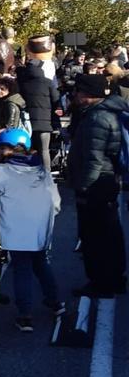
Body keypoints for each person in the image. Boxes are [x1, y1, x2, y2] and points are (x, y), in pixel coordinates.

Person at [0, 129, 63, 332]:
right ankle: (55, 302)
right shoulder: (41, 170)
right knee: (40, 263)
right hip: (41, 225)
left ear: (3, 150)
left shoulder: (2, 171)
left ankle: (25, 315)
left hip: (15, 226)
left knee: (21, 267)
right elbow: (56, 202)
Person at [68, 73, 128, 297]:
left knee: (95, 237)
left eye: (79, 91)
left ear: (88, 95)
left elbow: (94, 158)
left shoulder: (96, 119)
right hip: (108, 180)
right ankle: (115, 279)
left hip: (96, 186)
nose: (75, 95)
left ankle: (100, 283)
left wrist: (84, 187)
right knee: (111, 233)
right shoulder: (107, 113)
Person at [18, 35, 62, 171]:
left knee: (28, 149)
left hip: (28, 121)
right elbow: (56, 99)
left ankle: (29, 172)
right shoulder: (48, 81)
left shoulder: (23, 83)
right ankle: (46, 175)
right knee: (44, 150)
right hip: (45, 121)